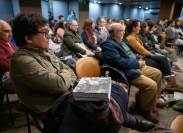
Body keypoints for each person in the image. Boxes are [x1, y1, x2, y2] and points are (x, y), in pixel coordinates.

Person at [10, 12, 155, 133]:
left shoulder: (45, 51)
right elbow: (59, 85)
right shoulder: (21, 60)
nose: (49, 36)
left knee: (116, 90)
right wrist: (63, 77)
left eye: (48, 31)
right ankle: (130, 122)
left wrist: (63, 75)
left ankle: (129, 121)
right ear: (28, 38)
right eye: (44, 33)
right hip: (56, 105)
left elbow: (70, 72)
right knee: (105, 110)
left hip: (70, 91)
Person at [101, 23, 162, 123]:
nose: (124, 32)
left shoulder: (118, 41)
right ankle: (145, 110)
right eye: (122, 30)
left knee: (157, 73)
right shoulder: (108, 46)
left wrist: (139, 60)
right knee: (151, 85)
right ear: (115, 32)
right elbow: (120, 62)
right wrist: (137, 64)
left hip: (130, 67)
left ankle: (148, 100)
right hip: (123, 72)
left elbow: (129, 56)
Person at [125, 19, 183, 91]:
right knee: (159, 63)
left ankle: (171, 83)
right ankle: (168, 84)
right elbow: (141, 49)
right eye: (139, 26)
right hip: (141, 56)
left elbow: (142, 47)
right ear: (133, 28)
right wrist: (150, 53)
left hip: (144, 54)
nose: (140, 28)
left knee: (164, 59)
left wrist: (147, 52)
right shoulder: (131, 37)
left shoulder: (134, 35)